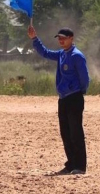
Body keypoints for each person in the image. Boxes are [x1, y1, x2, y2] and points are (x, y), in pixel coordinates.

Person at [28, 26, 90, 176]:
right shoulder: (62, 54)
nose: (61, 41)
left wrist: (79, 91)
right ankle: (70, 165)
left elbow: (85, 78)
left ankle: (80, 167)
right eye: (59, 38)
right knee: (65, 133)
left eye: (64, 38)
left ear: (71, 38)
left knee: (76, 133)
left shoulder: (77, 56)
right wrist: (34, 39)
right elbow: (45, 53)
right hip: (63, 99)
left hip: (74, 97)